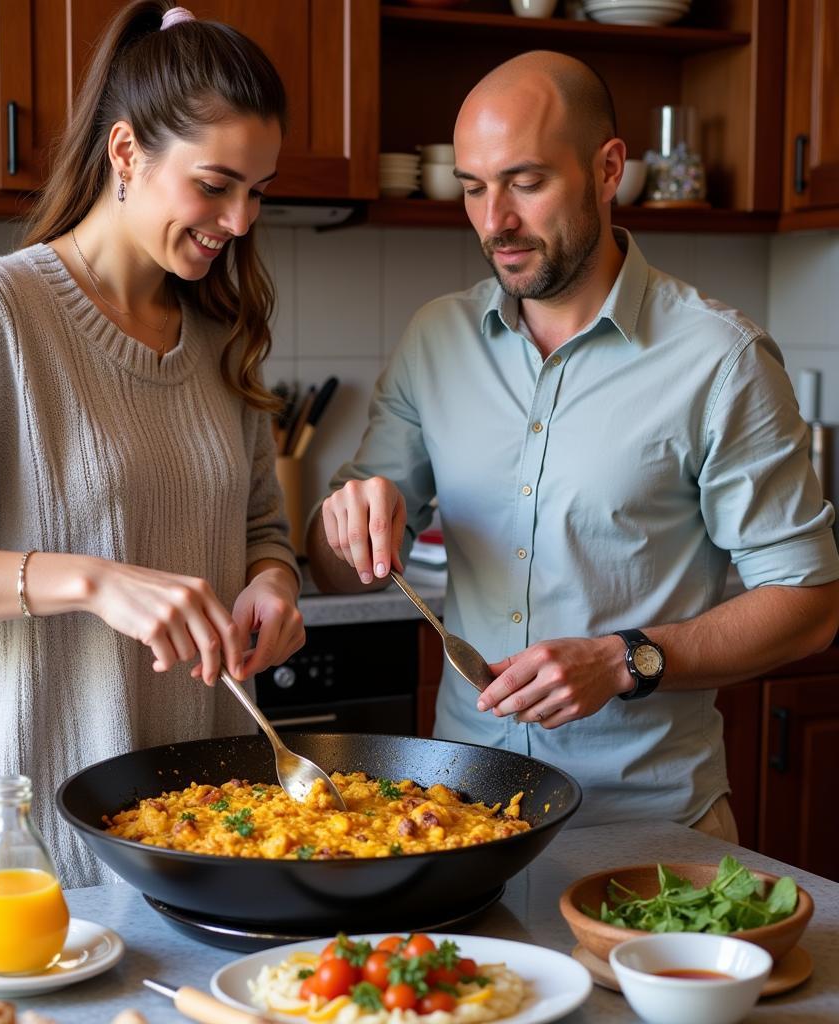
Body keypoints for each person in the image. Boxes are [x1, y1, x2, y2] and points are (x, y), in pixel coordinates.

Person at [0, 1, 304, 905]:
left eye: (259, 189)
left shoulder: (218, 335)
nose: (240, 220)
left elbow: (259, 526)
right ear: (126, 154)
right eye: (216, 184)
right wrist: (89, 580)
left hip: (195, 831)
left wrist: (272, 583)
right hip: (25, 842)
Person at [307, 51, 839, 839]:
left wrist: (626, 660)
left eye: (525, 182)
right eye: (474, 187)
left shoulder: (719, 358)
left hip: (651, 832)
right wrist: (345, 519)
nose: (495, 221)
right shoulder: (436, 339)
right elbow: (334, 572)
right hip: (462, 820)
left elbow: (809, 604)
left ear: (607, 168)